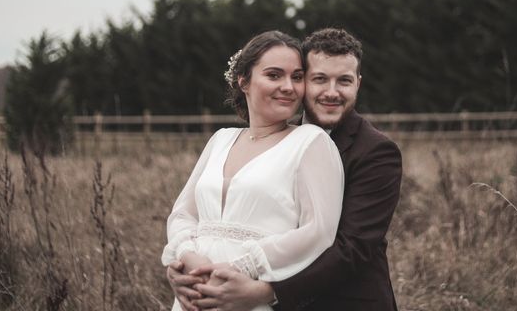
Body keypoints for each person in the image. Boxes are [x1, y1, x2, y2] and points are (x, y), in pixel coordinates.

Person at [169, 28, 403, 311]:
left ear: (358, 83)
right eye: (318, 79)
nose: (331, 92)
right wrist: (182, 267)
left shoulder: (376, 151)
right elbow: (186, 215)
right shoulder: (230, 139)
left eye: (344, 81)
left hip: (343, 302)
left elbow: (350, 249)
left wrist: (263, 292)